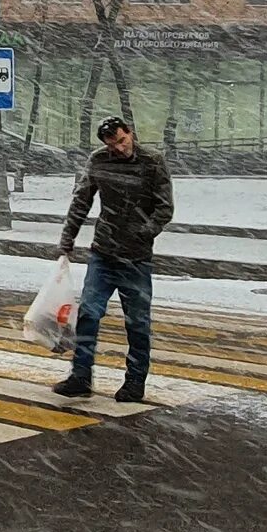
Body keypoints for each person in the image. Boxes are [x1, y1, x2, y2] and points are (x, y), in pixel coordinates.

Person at [53, 115, 175, 404]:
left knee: (137, 323)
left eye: (122, 140)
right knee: (89, 314)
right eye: (112, 144)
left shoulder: (152, 161)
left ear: (130, 133)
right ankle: (80, 377)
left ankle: (135, 382)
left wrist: (144, 232)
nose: (119, 148)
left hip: (136, 258)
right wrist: (66, 241)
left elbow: (165, 207)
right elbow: (81, 201)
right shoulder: (99, 161)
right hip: (103, 254)